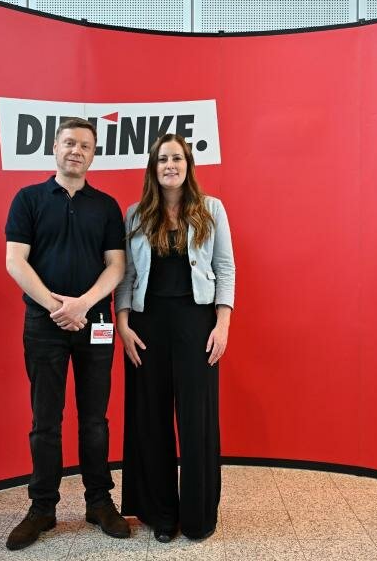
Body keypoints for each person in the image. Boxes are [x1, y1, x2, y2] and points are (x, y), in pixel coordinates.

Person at [4, 117, 129, 550]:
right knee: (45, 422)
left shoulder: (107, 206)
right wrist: (57, 307)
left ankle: (98, 502)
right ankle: (42, 508)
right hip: (44, 325)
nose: (76, 150)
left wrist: (82, 305)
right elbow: (16, 262)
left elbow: (117, 265)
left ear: (94, 154)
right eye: (69, 143)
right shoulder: (29, 199)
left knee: (95, 420)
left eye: (85, 146)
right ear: (54, 148)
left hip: (95, 322)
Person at [115, 133, 235, 543]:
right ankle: (161, 514)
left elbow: (225, 268)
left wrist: (223, 323)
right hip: (147, 327)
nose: (170, 165)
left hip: (196, 325)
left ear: (188, 166)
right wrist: (123, 323)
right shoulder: (134, 214)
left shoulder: (211, 209)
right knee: (151, 419)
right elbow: (126, 276)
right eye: (163, 159)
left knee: (197, 420)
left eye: (177, 158)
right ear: (153, 167)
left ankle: (199, 517)